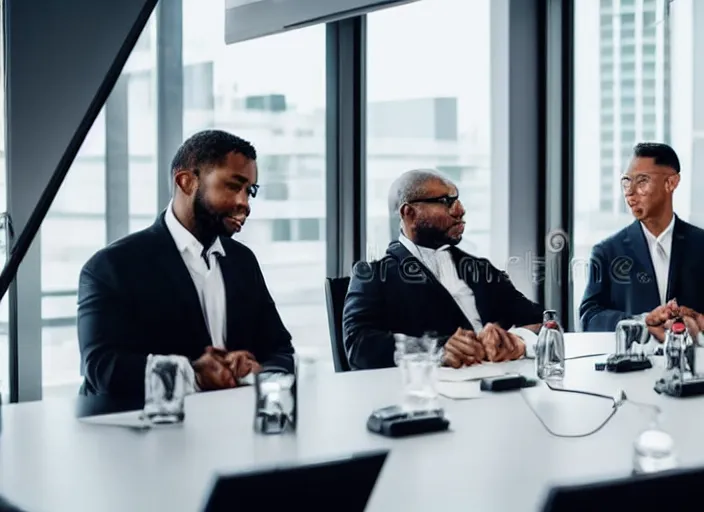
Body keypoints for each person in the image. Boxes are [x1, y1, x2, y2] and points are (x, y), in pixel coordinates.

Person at [77, 130, 294, 403]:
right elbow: (102, 368)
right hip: (149, 433)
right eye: (233, 186)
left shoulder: (242, 261)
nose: (244, 203)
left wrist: (258, 372)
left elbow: (281, 350)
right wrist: (192, 375)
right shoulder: (110, 267)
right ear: (186, 182)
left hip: (233, 426)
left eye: (249, 191)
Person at [342, 169, 544, 370]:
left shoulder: (481, 269)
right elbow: (359, 345)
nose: (460, 210)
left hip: (502, 388)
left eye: (458, 200)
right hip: (431, 392)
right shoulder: (373, 275)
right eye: (446, 201)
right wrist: (436, 349)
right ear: (409, 213)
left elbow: (546, 322)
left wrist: (519, 340)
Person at [579, 142, 704, 341]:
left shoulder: (700, 245)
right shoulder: (607, 252)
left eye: (642, 181)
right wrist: (640, 322)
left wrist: (699, 320)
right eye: (627, 181)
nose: (630, 191)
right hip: (633, 368)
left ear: (671, 183)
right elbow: (589, 318)